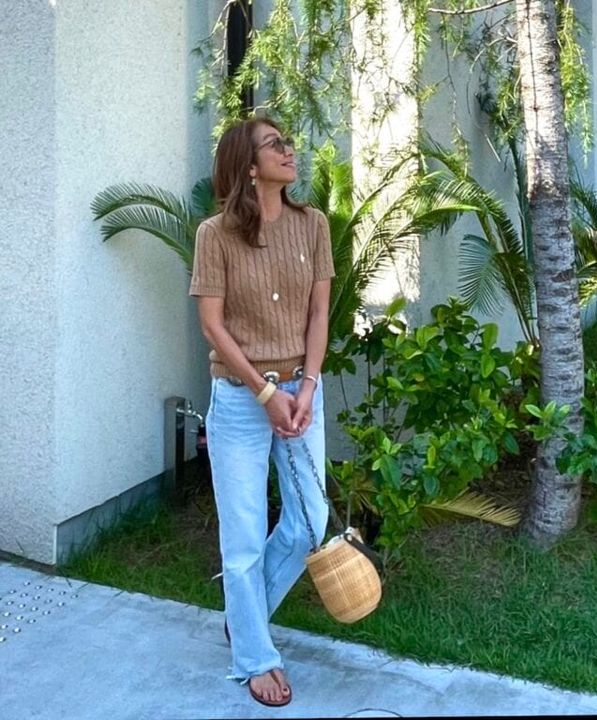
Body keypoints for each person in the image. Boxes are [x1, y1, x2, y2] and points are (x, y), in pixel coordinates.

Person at [189, 117, 334, 707]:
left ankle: (245, 618)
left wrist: (307, 387)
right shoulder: (215, 235)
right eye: (275, 145)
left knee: (310, 521)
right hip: (240, 400)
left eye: (287, 141)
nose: (289, 149)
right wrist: (266, 394)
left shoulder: (313, 224)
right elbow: (212, 324)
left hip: (302, 392)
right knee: (244, 534)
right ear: (249, 167)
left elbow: (319, 313)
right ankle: (254, 655)